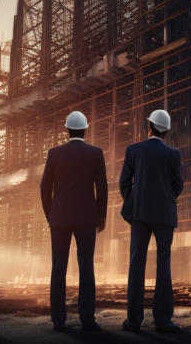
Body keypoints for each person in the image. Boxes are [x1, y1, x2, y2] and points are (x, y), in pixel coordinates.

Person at [40, 111, 107, 332]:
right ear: (85, 130)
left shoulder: (54, 153)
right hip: (86, 218)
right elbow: (102, 187)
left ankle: (58, 319)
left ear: (67, 130)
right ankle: (87, 319)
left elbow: (44, 187)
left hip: (59, 218)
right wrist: (101, 215)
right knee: (86, 266)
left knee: (58, 267)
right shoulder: (95, 153)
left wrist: (51, 214)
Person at [119, 109, 183, 333]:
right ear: (166, 131)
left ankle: (133, 321)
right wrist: (166, 199)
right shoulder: (173, 155)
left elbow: (124, 183)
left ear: (149, 127)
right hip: (165, 216)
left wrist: (134, 202)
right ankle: (163, 321)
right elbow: (178, 186)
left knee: (136, 264)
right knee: (163, 266)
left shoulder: (134, 151)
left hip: (140, 216)